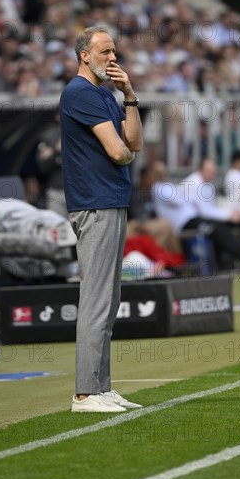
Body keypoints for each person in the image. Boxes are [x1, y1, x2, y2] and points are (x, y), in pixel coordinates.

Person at [59, 26, 144, 413]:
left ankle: (102, 386)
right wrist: (125, 152)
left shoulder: (106, 93)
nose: (113, 58)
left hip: (109, 201)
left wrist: (129, 96)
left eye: (114, 51)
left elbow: (135, 142)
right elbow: (120, 151)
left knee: (108, 301)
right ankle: (85, 393)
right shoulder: (79, 93)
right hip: (94, 203)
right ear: (84, 55)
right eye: (105, 52)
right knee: (95, 300)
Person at [152, 158, 240, 269]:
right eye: (210, 170)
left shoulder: (204, 185)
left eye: (214, 170)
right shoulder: (169, 186)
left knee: (227, 226)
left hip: (197, 218)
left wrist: (229, 214)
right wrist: (229, 215)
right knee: (217, 230)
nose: (213, 173)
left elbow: (209, 208)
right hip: (186, 223)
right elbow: (203, 210)